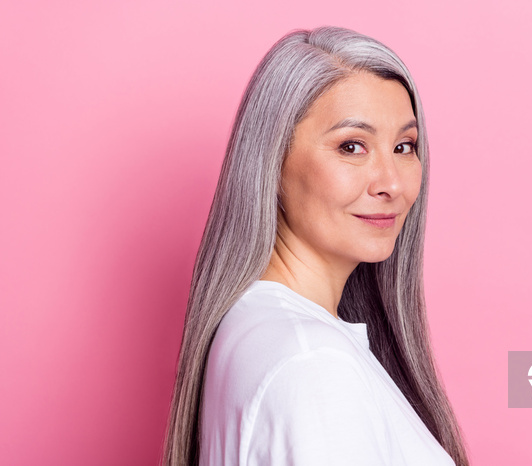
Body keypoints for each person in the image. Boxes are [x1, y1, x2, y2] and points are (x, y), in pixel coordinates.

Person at [164, 26, 469, 466]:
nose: (391, 183)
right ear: (272, 163)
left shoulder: (256, 328)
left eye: (404, 146)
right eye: (351, 146)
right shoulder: (313, 363)